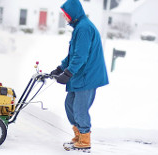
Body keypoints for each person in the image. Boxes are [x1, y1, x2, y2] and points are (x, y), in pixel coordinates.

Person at [50, 0, 109, 151]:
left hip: (87, 75)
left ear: (73, 13)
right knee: (70, 104)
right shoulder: (79, 27)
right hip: (81, 74)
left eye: (66, 14)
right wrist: (60, 68)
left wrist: (68, 73)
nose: (65, 17)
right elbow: (73, 54)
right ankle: (78, 135)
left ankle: (84, 141)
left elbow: (80, 56)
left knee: (80, 108)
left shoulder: (83, 28)